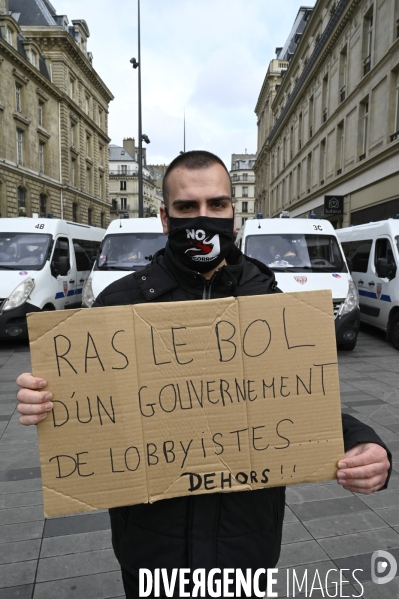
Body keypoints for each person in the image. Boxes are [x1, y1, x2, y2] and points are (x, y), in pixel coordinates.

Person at [16, 151, 391, 599]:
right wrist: (46, 402)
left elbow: (300, 395)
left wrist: (364, 441)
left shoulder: (268, 296)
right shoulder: (120, 302)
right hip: (154, 546)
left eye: (216, 205)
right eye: (187, 207)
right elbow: (92, 408)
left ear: (234, 213)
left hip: (246, 539)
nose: (203, 217)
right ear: (164, 217)